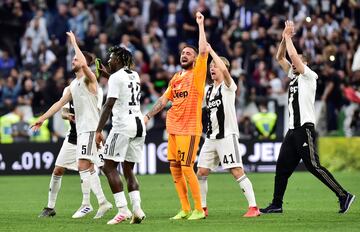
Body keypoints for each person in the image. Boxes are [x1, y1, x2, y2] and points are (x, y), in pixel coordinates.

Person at [260, 21, 355, 214]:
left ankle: (343, 195)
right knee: (282, 168)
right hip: (292, 131)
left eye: (298, 62)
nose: (294, 64)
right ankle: (277, 204)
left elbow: (293, 56)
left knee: (313, 166)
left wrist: (288, 37)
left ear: (305, 64)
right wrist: (283, 39)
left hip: (304, 128)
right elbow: (280, 56)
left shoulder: (309, 75)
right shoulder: (294, 76)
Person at [31, 31, 112, 219]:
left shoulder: (91, 82)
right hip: (78, 132)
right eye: (73, 59)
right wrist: (42, 118)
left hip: (91, 130)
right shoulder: (73, 85)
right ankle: (99, 203)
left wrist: (74, 42)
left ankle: (95, 203)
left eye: (75, 59)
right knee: (74, 167)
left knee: (87, 166)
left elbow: (84, 64)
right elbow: (60, 105)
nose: (73, 61)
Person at [144, 11, 208, 220]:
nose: (184, 55)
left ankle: (199, 209)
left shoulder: (197, 75)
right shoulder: (176, 77)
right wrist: (148, 116)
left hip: (189, 129)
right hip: (172, 128)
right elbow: (163, 100)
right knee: (175, 170)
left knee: (188, 167)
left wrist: (200, 25)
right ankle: (185, 208)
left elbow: (204, 51)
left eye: (189, 53)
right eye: (183, 53)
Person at [196, 44, 261, 218]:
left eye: (214, 66)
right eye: (210, 67)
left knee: (236, 171)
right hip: (211, 138)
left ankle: (253, 207)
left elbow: (224, 70)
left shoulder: (228, 87)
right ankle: (202, 208)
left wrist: (211, 51)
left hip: (227, 135)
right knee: (201, 172)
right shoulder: (208, 90)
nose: (212, 69)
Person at [95, 46, 146, 225]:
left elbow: (108, 105)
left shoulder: (116, 78)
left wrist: (98, 130)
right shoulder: (135, 74)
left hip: (123, 126)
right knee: (128, 169)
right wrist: (108, 75)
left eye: (111, 58)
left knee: (108, 167)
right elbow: (123, 84)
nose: (108, 60)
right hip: (139, 124)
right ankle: (137, 209)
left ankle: (123, 210)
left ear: (119, 59)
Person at [38, 87, 106, 218]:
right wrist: (68, 116)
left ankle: (113, 205)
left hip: (89, 135)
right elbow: (64, 112)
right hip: (73, 137)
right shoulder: (69, 89)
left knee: (102, 169)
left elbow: (97, 113)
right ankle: (50, 207)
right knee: (58, 169)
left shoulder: (96, 89)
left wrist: (98, 133)